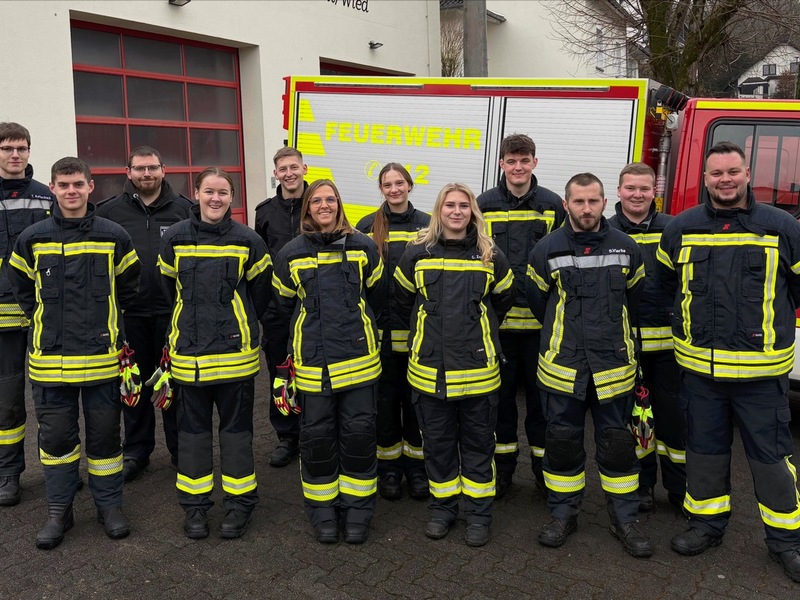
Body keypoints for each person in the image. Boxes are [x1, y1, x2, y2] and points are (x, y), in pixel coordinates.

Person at [657, 141, 800, 583]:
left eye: (732, 172)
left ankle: (786, 542)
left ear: (745, 173)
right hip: (700, 373)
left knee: (772, 460)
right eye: (716, 173)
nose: (725, 180)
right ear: (705, 178)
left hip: (760, 376)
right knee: (704, 454)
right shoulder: (682, 227)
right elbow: (667, 287)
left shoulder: (780, 226)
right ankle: (706, 525)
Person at [8, 157, 140, 549]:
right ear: (52, 188)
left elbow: (128, 288)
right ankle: (59, 511)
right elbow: (21, 289)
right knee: (56, 443)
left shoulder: (114, 235)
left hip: (101, 361)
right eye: (63, 185)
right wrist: (45, 323)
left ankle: (109, 507)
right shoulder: (32, 238)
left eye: (77, 184)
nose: (71, 191)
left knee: (104, 442)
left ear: (90, 187)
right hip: (50, 364)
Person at [526, 172, 652, 558]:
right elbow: (537, 303)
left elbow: (636, 299)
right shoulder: (545, 250)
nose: (586, 208)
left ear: (603, 202)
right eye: (578, 201)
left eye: (593, 201)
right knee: (562, 445)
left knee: (618, 447)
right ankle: (563, 514)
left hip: (613, 370)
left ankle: (624, 519)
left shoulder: (626, 248)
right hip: (564, 367)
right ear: (566, 204)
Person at [394, 183, 515, 547]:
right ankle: (442, 509)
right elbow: (402, 302)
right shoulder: (416, 252)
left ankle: (478, 515)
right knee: (439, 445)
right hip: (430, 372)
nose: (457, 211)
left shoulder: (490, 255)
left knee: (479, 447)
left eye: (464, 205)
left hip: (478, 374)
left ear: (473, 212)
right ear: (439, 210)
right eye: (450, 205)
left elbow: (503, 301)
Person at [158, 168, 271, 540]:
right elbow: (169, 290)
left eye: (223, 192)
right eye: (209, 191)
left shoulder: (248, 240)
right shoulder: (174, 237)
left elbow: (260, 294)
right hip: (189, 357)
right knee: (191, 436)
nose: (216, 198)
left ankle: (240, 505)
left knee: (237, 435)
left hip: (235, 357)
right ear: (196, 193)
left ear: (232, 198)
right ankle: (195, 508)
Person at [272, 179, 386, 545]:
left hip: (359, 363)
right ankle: (322, 511)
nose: (324, 205)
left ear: (339, 204)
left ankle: (358, 511)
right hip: (312, 364)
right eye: (317, 200)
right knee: (317, 438)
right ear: (307, 207)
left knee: (358, 435)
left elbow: (378, 298)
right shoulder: (291, 252)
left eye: (331, 199)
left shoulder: (363, 246)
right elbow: (282, 306)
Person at [95, 145, 193, 482]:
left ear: (164, 169)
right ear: (128, 172)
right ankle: (137, 451)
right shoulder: (107, 212)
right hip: (129, 314)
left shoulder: (186, 210)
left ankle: (182, 450)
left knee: (173, 383)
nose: (146, 175)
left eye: (152, 168)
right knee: (132, 384)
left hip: (172, 315)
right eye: (139, 169)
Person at [476, 133, 564, 499]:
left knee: (543, 405)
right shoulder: (483, 204)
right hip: (500, 326)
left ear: (534, 163)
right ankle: (504, 474)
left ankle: (546, 476)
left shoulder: (552, 204)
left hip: (541, 327)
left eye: (524, 160)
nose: (517, 167)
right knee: (500, 405)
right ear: (501, 164)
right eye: (511, 161)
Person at [608, 162, 686, 512]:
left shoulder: (674, 228)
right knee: (636, 422)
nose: (637, 194)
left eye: (644, 188)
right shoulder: (606, 232)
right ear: (619, 191)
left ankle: (680, 487)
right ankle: (642, 488)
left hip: (669, 348)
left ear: (655, 191)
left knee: (674, 421)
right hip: (627, 347)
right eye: (630, 188)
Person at [356, 163, 430, 501]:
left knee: (415, 404)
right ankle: (388, 470)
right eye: (388, 184)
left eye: (399, 183)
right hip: (379, 334)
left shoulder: (428, 225)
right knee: (384, 404)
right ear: (381, 189)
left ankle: (416, 468)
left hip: (415, 334)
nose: (394, 189)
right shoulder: (367, 226)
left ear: (410, 186)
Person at [0, 122, 54, 507]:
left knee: (52, 398)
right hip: (2, 320)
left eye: (21, 148)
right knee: (7, 400)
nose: (14, 154)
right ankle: (8, 474)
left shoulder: (46, 197)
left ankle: (58, 472)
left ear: (30, 151)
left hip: (43, 314)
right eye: (7, 149)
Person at [254, 147, 308, 468]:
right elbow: (260, 260)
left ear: (304, 168)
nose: (288, 173)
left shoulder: (318, 204)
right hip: (276, 308)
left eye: (293, 167)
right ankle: (287, 436)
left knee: (314, 371)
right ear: (276, 174)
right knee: (280, 373)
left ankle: (315, 432)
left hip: (311, 305)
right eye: (282, 169)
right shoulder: (264, 212)